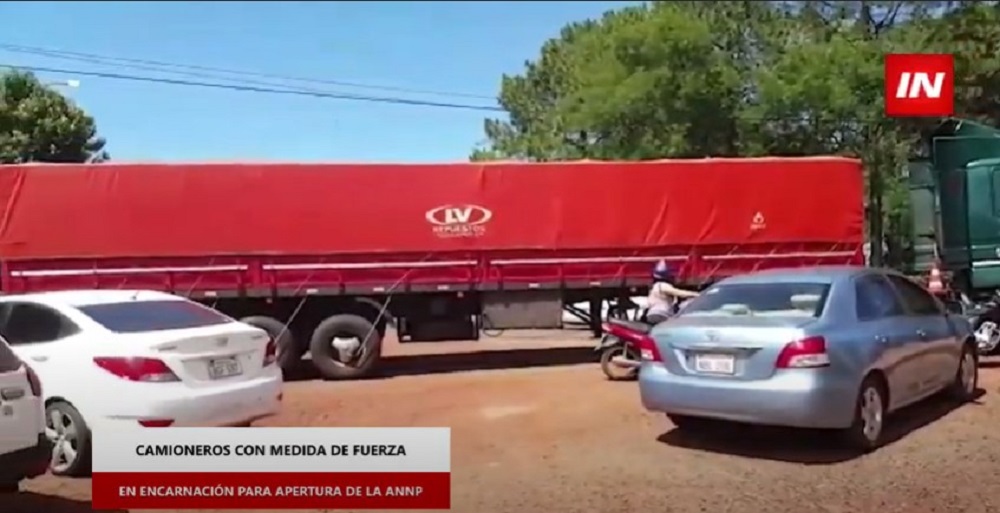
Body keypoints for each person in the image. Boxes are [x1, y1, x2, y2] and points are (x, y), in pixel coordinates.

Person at [645, 259, 699, 325]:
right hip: (661, 313)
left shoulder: (654, 287)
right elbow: (678, 293)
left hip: (651, 313)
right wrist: (696, 294)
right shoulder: (663, 285)